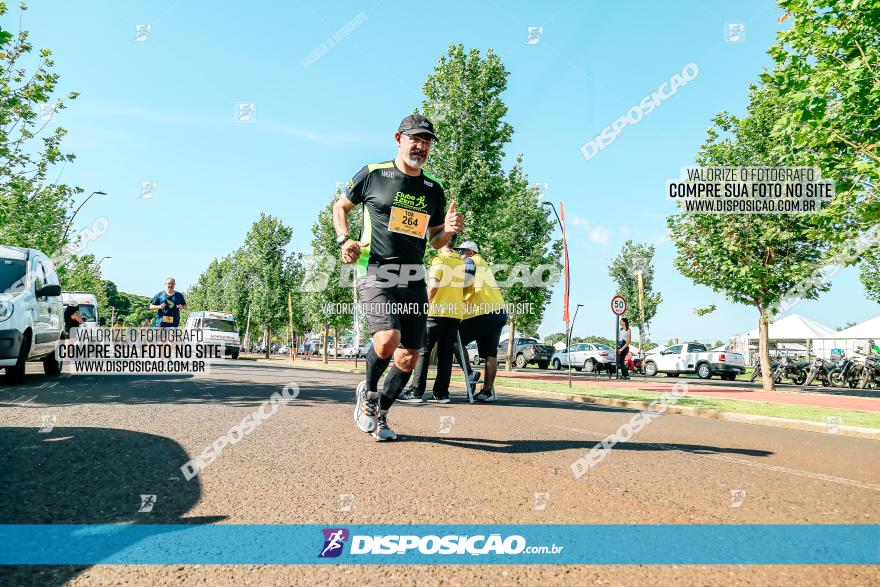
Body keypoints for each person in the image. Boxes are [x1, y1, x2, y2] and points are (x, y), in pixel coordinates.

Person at [333, 113, 463, 441]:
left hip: (413, 276)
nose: (421, 146)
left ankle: (382, 411)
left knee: (409, 356)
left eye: (427, 141)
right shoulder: (373, 174)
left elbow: (434, 240)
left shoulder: (434, 189)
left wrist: (446, 232)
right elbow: (340, 207)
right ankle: (369, 395)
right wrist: (344, 240)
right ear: (399, 139)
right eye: (415, 139)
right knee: (388, 338)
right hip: (375, 269)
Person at [398, 239, 465, 404]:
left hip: (436, 312)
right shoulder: (461, 262)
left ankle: (415, 392)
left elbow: (434, 285)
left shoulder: (439, 259)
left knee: (422, 351)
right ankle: (441, 394)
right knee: (445, 355)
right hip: (454, 313)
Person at [456, 241, 507, 402]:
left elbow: (466, 282)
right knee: (490, 354)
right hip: (498, 312)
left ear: (470, 251)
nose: (460, 255)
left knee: (454, 339)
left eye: (462, 252)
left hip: (483, 312)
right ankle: (487, 392)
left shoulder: (470, 261)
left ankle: (470, 373)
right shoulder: (484, 264)